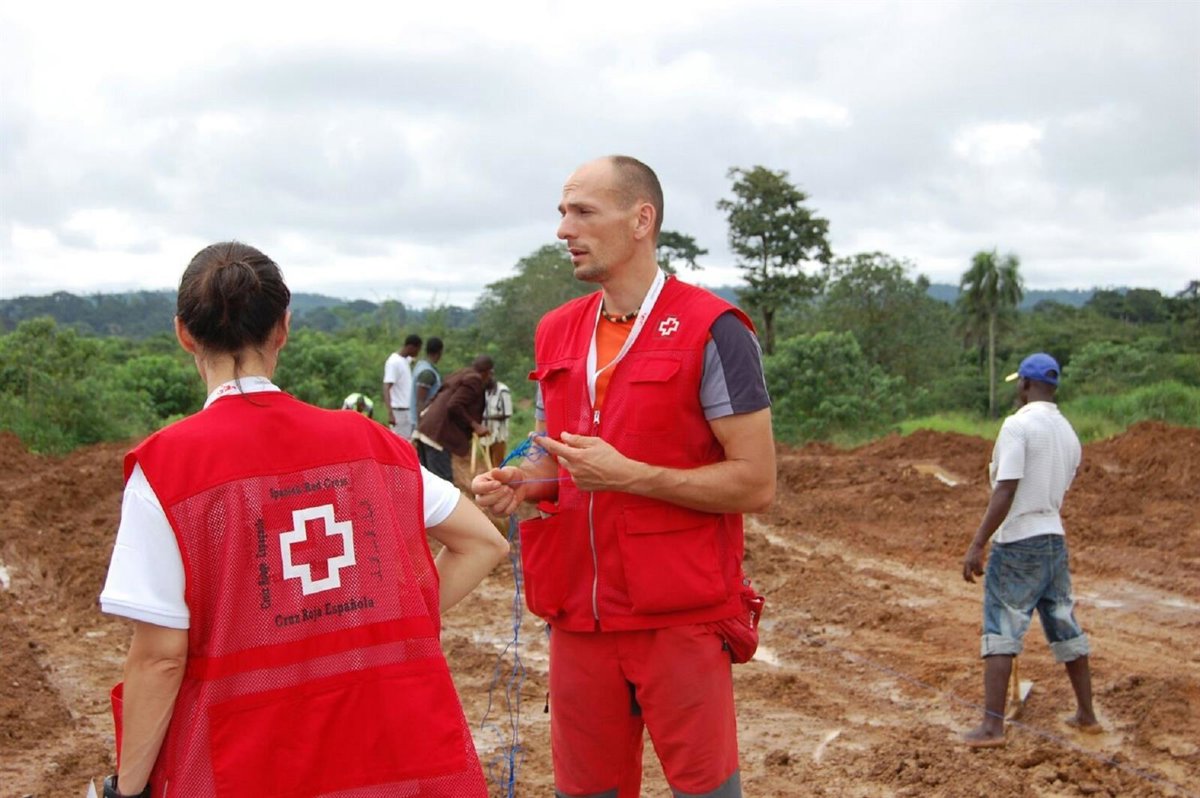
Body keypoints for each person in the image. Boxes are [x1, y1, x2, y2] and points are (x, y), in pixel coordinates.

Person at [98, 242, 508, 797]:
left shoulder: (166, 470)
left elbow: (159, 659)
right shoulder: (370, 444)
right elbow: (484, 543)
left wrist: (126, 789)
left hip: (246, 762)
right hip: (386, 750)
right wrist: (391, 620)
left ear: (184, 334)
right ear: (284, 328)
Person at [472, 156, 775, 798]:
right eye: (562, 212)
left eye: (583, 212)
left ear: (642, 220)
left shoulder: (714, 331)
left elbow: (756, 482)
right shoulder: (557, 330)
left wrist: (631, 477)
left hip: (679, 619)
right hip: (578, 619)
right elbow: (553, 456)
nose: (564, 230)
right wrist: (524, 482)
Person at [961, 352, 1099, 748]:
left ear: (1025, 384)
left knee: (1002, 629)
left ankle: (992, 728)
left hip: (1018, 540)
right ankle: (1087, 715)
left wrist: (977, 543)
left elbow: (1007, 488)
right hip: (1054, 538)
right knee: (1064, 622)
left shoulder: (1017, 426)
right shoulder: (1068, 433)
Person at [414, 355, 494, 486]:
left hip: (426, 428)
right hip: (438, 434)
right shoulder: (474, 380)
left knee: (429, 482)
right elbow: (454, 404)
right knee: (442, 484)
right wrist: (475, 426)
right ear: (488, 372)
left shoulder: (461, 374)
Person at [383, 333, 421, 438]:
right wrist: (390, 413)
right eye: (417, 350)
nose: (418, 353)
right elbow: (386, 387)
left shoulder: (405, 360)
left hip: (408, 411)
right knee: (401, 442)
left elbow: (410, 359)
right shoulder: (394, 363)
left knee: (408, 441)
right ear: (411, 347)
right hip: (399, 412)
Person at [409, 336, 444, 430]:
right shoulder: (427, 373)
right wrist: (421, 424)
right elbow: (421, 401)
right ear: (440, 352)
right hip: (423, 422)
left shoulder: (421, 365)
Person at [482, 378, 513, 467]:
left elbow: (507, 413)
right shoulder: (484, 391)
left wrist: (485, 418)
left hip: (499, 434)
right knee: (488, 464)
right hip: (485, 433)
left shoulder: (503, 390)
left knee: (499, 464)